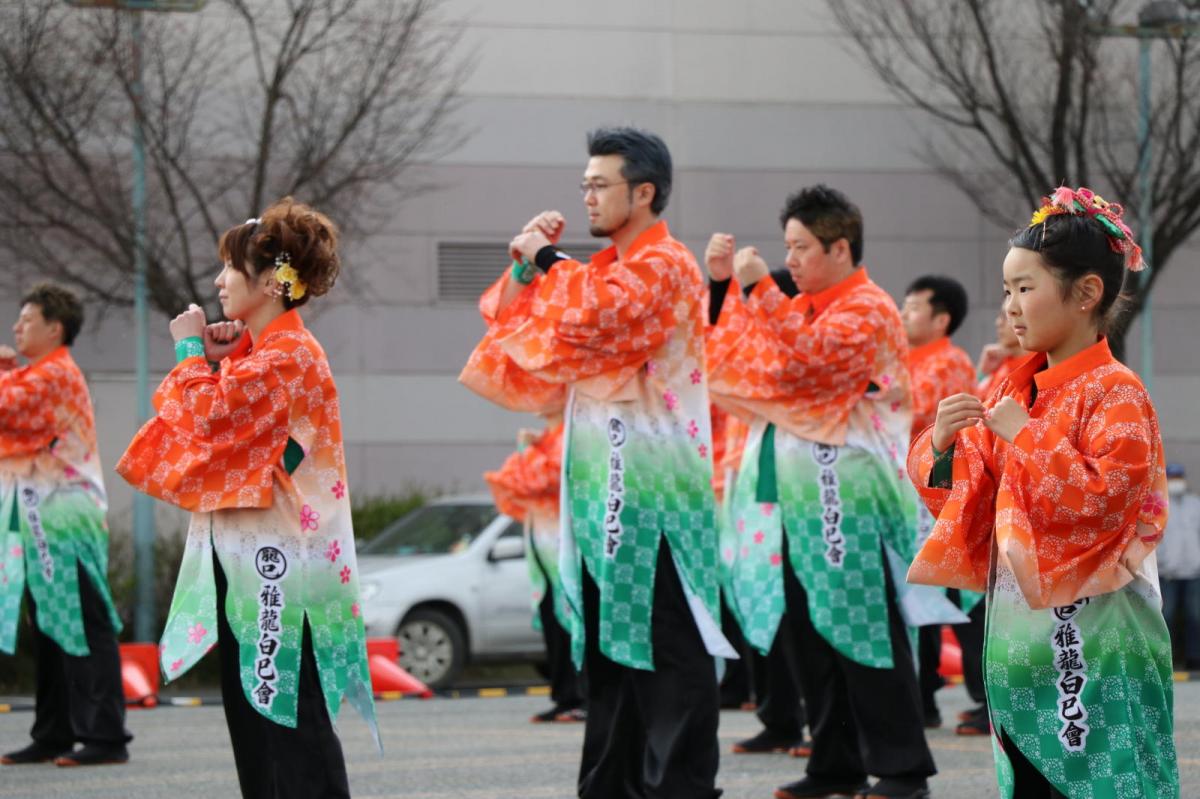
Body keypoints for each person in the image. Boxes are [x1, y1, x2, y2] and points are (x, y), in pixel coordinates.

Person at [460, 126, 733, 799]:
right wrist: (526, 267)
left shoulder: (665, 266)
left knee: (668, 644)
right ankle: (610, 785)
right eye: (584, 183)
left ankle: (679, 786)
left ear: (644, 192)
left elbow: (605, 314)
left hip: (658, 489)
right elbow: (515, 330)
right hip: (599, 487)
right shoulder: (598, 270)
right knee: (612, 649)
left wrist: (548, 259)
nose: (586, 194)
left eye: (599, 183)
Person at [909, 186, 1179, 798]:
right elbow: (968, 497)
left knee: (1106, 779)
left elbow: (1104, 503)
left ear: (1087, 293)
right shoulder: (1017, 388)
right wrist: (942, 447)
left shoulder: (1117, 392)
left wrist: (1025, 439)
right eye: (1008, 291)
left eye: (1026, 289)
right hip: (1023, 643)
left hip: (1101, 643)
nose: (1011, 308)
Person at [117, 199, 375, 798]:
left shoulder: (288, 355)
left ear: (267, 280)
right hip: (260, 562)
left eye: (228, 269)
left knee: (288, 722)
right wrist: (218, 360)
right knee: (263, 722)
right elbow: (212, 429)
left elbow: (205, 420)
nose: (217, 282)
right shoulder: (267, 354)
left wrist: (188, 352)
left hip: (283, 566)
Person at [707, 185, 938, 799]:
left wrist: (759, 288)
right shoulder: (804, 306)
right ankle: (834, 764)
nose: (791, 260)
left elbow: (806, 362)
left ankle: (901, 768)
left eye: (801, 247)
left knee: (863, 628)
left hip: (851, 496)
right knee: (812, 636)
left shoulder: (867, 308)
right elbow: (733, 361)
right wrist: (721, 287)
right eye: (787, 247)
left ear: (841, 247)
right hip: (800, 494)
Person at [0, 283, 132, 767]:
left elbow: (7, 405)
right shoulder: (36, 373)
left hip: (65, 518)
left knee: (83, 621)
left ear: (54, 328)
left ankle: (106, 735)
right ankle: (54, 731)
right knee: (51, 624)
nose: (16, 328)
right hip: (40, 516)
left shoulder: (55, 374)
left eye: (26, 320)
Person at [899, 274, 984, 732]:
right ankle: (925, 694)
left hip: (944, 497)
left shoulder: (948, 362)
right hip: (911, 496)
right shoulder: (906, 360)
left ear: (941, 319)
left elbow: (914, 413)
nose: (903, 314)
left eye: (913, 308)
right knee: (926, 595)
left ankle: (986, 699)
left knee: (964, 599)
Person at [485, 418, 586, 723]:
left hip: (567, 550)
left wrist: (530, 450)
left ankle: (582, 697)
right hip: (543, 551)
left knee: (573, 627)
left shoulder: (571, 434)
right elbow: (511, 483)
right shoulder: (545, 438)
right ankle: (564, 696)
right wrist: (529, 449)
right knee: (553, 626)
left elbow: (547, 478)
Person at [1160, 463, 1200, 670]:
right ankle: (1170, 659)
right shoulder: (1159, 505)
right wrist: (1162, 562)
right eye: (1172, 477)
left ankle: (1194, 659)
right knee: (1166, 617)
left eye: (1178, 476)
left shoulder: (1195, 504)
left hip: (1194, 571)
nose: (1176, 481)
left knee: (1196, 616)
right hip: (1168, 572)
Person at [976, 309, 1027, 400]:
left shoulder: (1037, 367)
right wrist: (983, 373)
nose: (998, 322)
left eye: (1007, 316)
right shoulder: (1001, 364)